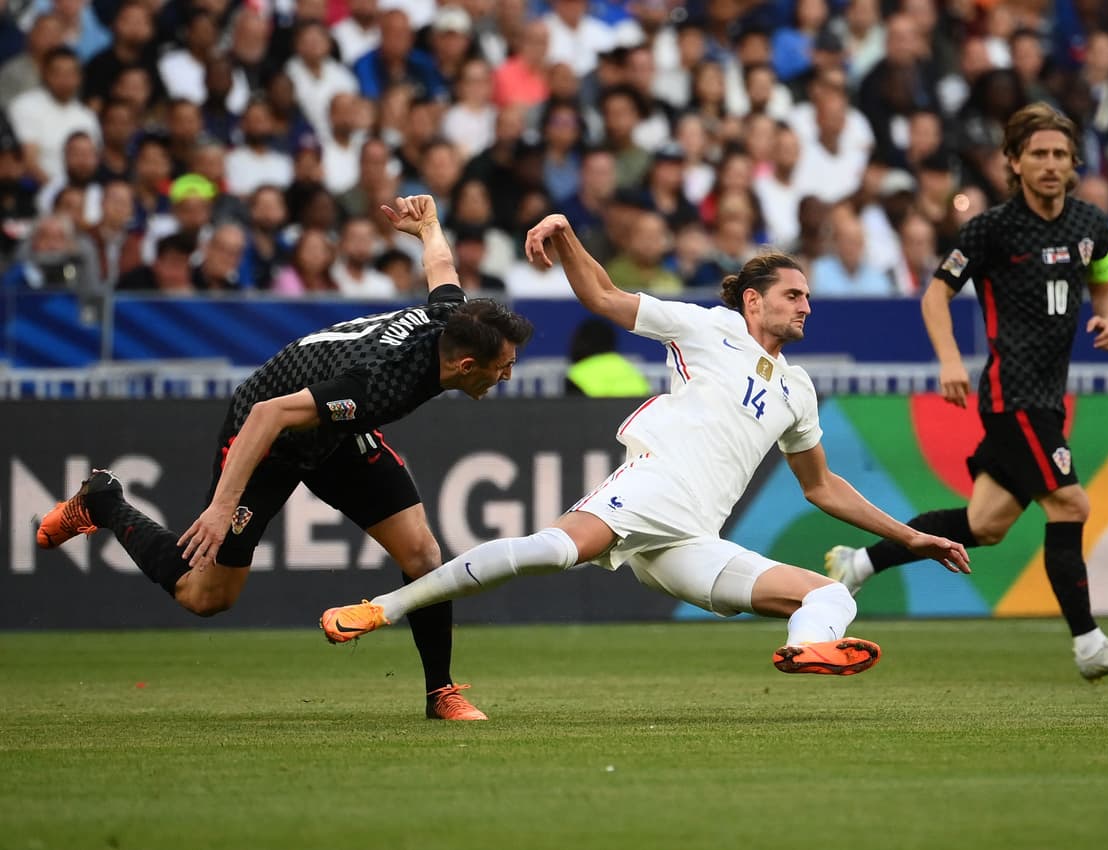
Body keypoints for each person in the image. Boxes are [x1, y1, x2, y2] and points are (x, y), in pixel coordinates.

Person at [320, 215, 969, 678]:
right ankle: (383, 607)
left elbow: (821, 486)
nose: (806, 307)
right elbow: (603, 296)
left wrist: (910, 538)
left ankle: (808, 649)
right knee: (551, 550)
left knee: (831, 598)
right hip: (654, 485)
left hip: (689, 539)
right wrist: (567, 233)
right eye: (793, 295)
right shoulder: (709, 328)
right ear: (752, 300)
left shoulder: (798, 390)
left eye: (807, 296)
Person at [37, 196, 534, 721]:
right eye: (502, 367)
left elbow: (442, 268)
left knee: (423, 555)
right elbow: (268, 415)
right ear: (466, 364)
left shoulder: (450, 319)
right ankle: (105, 502)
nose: (506, 376)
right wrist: (223, 506)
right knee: (205, 596)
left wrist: (430, 226)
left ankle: (441, 693)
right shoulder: (377, 383)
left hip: (337, 433)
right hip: (270, 434)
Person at [823, 103, 1108, 681]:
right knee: (1071, 503)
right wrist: (951, 360)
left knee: (984, 525)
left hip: (1048, 396)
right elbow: (935, 296)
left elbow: (1105, 282)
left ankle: (860, 562)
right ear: (1013, 162)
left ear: (1074, 162)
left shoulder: (1089, 225)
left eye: (1059, 155)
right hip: (1012, 394)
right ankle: (1090, 645)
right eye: (1038, 154)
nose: (1050, 165)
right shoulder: (992, 229)